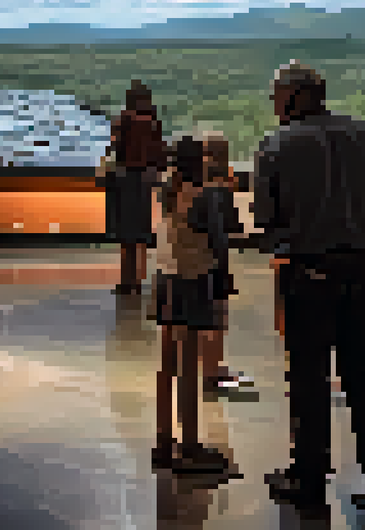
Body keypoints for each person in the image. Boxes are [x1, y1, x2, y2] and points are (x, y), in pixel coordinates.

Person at [254, 61, 365, 522]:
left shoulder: (276, 144)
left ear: (293, 96)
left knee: (309, 381)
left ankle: (309, 477)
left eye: (276, 94)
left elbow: (265, 215)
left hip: (309, 275)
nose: (274, 102)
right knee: (364, 381)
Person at [151, 136, 237, 476]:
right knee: (189, 364)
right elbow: (218, 242)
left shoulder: (167, 190)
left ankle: (163, 439)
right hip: (194, 278)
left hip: (166, 278)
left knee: (167, 362)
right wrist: (225, 280)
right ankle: (189, 447)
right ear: (197, 162)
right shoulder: (203, 197)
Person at [197, 133, 255, 397]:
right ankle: (213, 370)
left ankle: (203, 368)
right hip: (217, 259)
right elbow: (233, 227)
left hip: (190, 261)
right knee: (217, 315)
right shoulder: (223, 189)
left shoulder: (189, 189)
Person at [109, 81, 168, 295]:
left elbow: (115, 147)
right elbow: (161, 153)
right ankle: (139, 280)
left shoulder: (123, 120)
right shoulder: (153, 122)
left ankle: (126, 281)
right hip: (145, 179)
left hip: (125, 178)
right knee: (142, 233)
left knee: (126, 235)